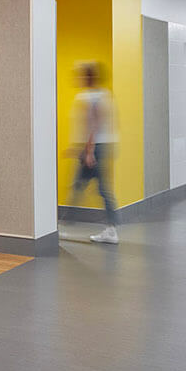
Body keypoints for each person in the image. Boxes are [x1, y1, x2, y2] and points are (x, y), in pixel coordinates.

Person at [68, 63, 119, 244]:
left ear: (88, 77)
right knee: (86, 186)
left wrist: (89, 152)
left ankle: (64, 226)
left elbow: (94, 125)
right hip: (99, 146)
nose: (79, 79)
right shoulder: (104, 95)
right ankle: (110, 228)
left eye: (82, 76)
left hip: (94, 147)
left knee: (92, 187)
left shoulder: (91, 97)